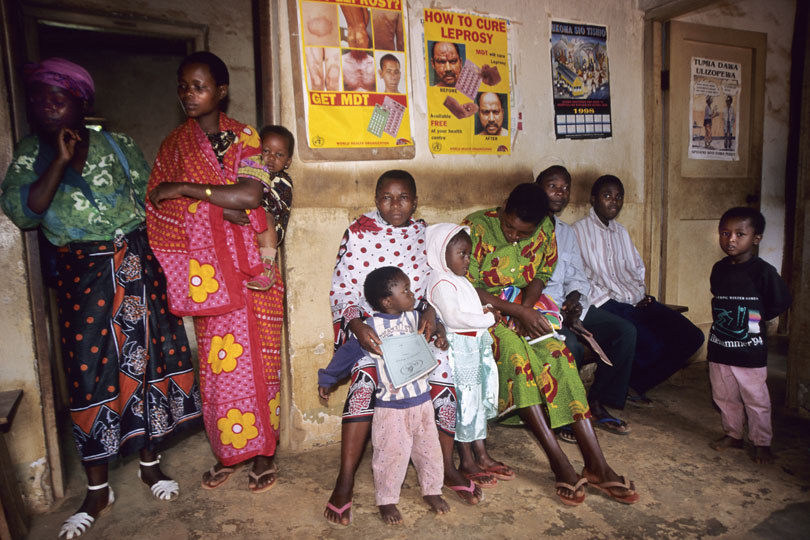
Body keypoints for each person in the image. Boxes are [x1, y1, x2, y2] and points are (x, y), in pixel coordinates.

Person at [0, 58, 202, 539]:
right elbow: (26, 214)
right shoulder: (30, 154)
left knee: (149, 362)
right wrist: (61, 161)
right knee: (89, 374)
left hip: (136, 267)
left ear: (81, 102)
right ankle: (97, 488)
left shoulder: (119, 145)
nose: (48, 106)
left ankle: (150, 464)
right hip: (82, 277)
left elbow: (151, 203)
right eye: (39, 98)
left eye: (59, 97)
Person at [317, 170, 491, 525]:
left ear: (416, 200)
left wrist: (430, 312)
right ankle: (345, 480)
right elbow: (342, 289)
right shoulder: (358, 232)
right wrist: (356, 325)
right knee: (365, 382)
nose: (394, 205)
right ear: (376, 198)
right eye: (386, 197)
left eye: (403, 198)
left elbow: (432, 282)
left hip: (413, 328)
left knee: (444, 374)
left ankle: (443, 470)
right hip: (373, 331)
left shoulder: (422, 235)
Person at [147, 51, 283, 495]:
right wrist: (219, 212)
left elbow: (249, 194)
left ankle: (264, 454)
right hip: (209, 278)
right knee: (220, 369)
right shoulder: (173, 146)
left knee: (261, 365)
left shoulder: (245, 137)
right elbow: (158, 209)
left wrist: (189, 189)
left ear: (221, 91)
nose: (189, 94)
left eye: (199, 86)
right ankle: (231, 451)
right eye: (183, 86)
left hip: (254, 273)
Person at [463, 183, 639, 506]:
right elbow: (466, 286)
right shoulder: (475, 227)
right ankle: (558, 461)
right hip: (484, 316)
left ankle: (597, 463)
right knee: (517, 356)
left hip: (525, 308)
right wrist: (516, 312)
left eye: (523, 234)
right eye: (510, 227)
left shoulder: (544, 228)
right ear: (503, 208)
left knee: (559, 355)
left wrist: (527, 310)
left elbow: (541, 274)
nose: (515, 237)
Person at [573, 175, 705, 404]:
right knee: (650, 345)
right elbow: (579, 278)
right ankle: (615, 389)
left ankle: (636, 383)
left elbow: (636, 268)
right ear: (594, 199)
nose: (614, 202)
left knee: (691, 336)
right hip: (606, 304)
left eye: (619, 197)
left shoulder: (621, 232)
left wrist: (639, 294)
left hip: (636, 301)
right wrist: (613, 301)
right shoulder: (578, 232)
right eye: (607, 196)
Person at [536, 166, 634, 440]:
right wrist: (558, 310)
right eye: (552, 186)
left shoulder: (566, 233)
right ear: (537, 187)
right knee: (571, 345)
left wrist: (574, 300)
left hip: (568, 306)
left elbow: (577, 276)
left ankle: (598, 402)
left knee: (624, 332)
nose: (560, 193)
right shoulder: (527, 228)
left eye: (565, 187)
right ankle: (564, 415)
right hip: (542, 310)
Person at [425, 224, 512, 487]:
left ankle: (481, 454)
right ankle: (467, 460)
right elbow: (453, 317)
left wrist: (484, 308)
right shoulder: (440, 281)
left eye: (469, 254)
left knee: (476, 405)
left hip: (474, 350)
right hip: (460, 351)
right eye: (461, 254)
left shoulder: (458, 279)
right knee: (464, 406)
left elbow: (468, 307)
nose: (467, 259)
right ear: (441, 253)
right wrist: (486, 318)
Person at [361, 267, 449, 524]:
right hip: (391, 406)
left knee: (429, 450)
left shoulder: (414, 317)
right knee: (391, 454)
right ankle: (387, 499)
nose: (412, 294)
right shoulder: (371, 326)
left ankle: (432, 490)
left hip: (422, 401)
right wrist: (328, 376)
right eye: (406, 291)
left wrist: (440, 335)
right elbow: (350, 353)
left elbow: (435, 325)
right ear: (388, 301)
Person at [708, 207, 791, 464]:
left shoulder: (763, 272)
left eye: (739, 234)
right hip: (720, 347)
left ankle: (761, 442)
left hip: (750, 350)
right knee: (724, 395)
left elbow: (779, 302)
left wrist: (755, 321)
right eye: (725, 233)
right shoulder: (719, 269)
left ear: (756, 238)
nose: (730, 239)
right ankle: (733, 434)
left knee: (756, 398)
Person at [243, 125, 294, 291]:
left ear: (288, 161)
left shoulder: (282, 180)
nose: (271, 158)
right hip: (252, 222)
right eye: (266, 151)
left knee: (264, 217)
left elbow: (273, 204)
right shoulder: (250, 172)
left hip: (272, 226)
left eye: (279, 155)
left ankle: (267, 268)